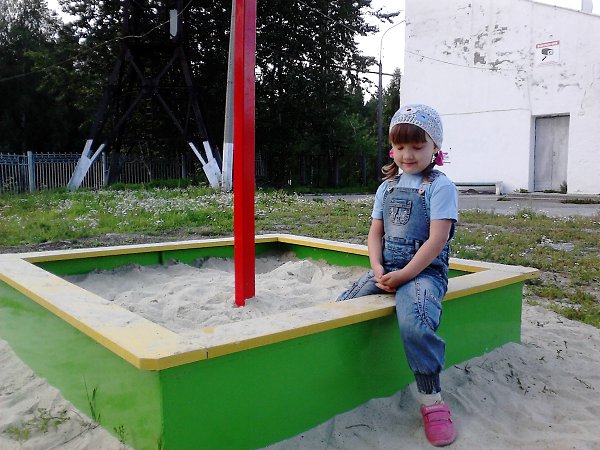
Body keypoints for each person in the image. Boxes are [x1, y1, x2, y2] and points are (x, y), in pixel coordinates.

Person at [337, 104, 458, 447]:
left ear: (435, 147)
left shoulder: (440, 187)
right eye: (400, 146)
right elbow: (375, 233)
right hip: (387, 269)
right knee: (341, 306)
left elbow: (437, 240)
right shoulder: (387, 187)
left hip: (423, 273)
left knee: (416, 321)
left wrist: (405, 274)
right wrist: (377, 268)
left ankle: (432, 401)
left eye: (418, 146)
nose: (408, 154)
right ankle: (342, 372)